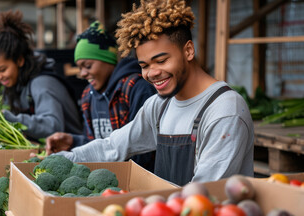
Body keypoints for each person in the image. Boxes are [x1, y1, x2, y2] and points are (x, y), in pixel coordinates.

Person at [54, 0, 254, 186]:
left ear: (189, 51)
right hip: (166, 215)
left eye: (161, 61)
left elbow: (205, 193)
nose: (152, 73)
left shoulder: (224, 110)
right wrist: (63, 159)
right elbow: (112, 147)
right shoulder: (159, 105)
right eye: (144, 65)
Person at [45, 21, 157, 171]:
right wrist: (73, 141)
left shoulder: (135, 88)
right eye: (79, 68)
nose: (83, 73)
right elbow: (96, 142)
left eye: (88, 66)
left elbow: (142, 146)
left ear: (108, 60)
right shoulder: (87, 97)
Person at [0, 10, 82, 141]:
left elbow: (53, 125)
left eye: (2, 69)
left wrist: (10, 119)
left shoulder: (42, 83)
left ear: (19, 60)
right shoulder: (12, 85)